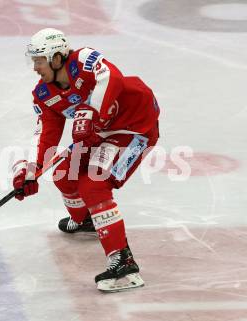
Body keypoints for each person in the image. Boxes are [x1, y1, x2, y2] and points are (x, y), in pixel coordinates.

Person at [12, 28, 160, 292]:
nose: (35, 67)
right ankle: (86, 220)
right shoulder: (45, 94)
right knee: (63, 174)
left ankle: (123, 261)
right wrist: (32, 170)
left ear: (57, 58)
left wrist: (92, 112)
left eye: (39, 60)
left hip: (135, 129)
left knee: (93, 185)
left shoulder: (85, 60)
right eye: (32, 60)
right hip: (100, 133)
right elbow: (46, 132)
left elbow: (111, 78)